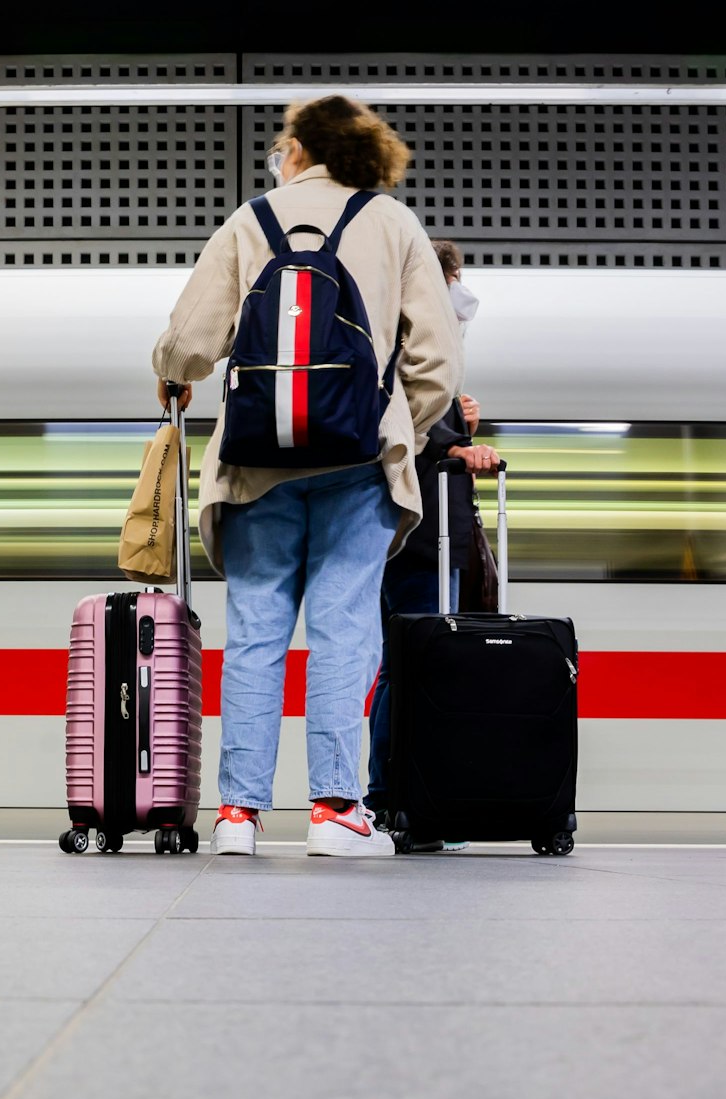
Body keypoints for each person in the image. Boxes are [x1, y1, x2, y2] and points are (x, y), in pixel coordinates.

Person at [152, 95, 462, 858]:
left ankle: (237, 816)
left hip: (256, 463)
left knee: (256, 633)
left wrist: (173, 371)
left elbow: (187, 345)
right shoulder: (393, 223)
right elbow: (436, 363)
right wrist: (397, 430)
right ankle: (334, 811)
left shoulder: (249, 220)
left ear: (297, 149)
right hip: (360, 465)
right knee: (343, 631)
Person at [364, 239, 497, 847]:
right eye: (453, 281)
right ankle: (399, 802)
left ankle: (399, 799)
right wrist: (457, 445)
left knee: (403, 667)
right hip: (424, 538)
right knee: (417, 668)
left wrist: (461, 425)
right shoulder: (412, 342)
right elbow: (406, 430)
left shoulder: (396, 339)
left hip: (411, 533)